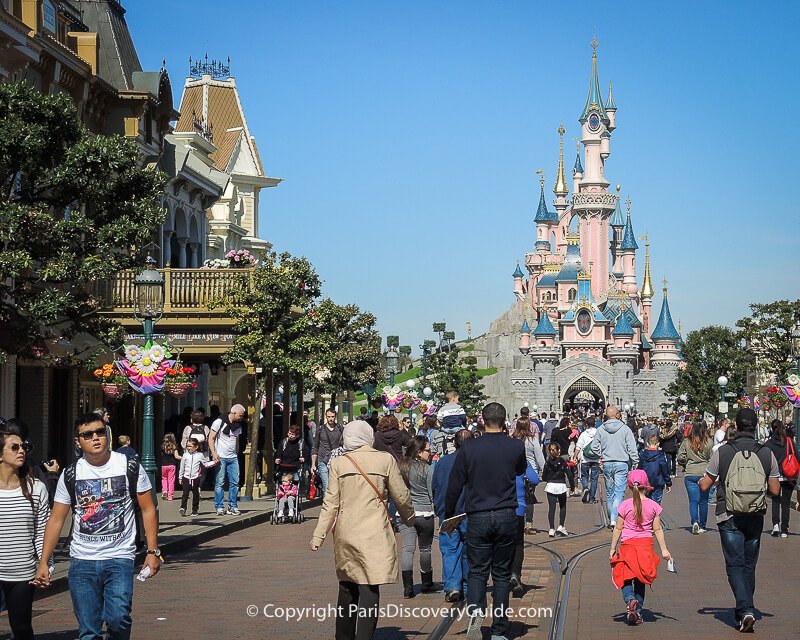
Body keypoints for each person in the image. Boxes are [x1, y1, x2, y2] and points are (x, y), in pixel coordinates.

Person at [34, 413, 161, 639]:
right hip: (82, 561)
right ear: (78, 441)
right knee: (88, 630)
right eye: (88, 434)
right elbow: (56, 519)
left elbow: (148, 508)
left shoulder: (128, 466)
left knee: (118, 618)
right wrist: (44, 561)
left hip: (120, 557)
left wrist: (153, 552)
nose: (96, 438)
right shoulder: (71, 474)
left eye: (100, 432)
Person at [310, 420, 414, 640]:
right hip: (375, 531)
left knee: (347, 586)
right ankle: (365, 635)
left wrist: (318, 535)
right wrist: (410, 518)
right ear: (368, 436)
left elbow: (331, 503)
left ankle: (344, 636)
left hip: (346, 532)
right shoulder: (385, 460)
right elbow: (401, 495)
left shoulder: (339, 463)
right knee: (369, 586)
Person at [445, 402, 526, 640]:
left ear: (482, 419)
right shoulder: (515, 446)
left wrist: (450, 514)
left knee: (477, 572)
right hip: (505, 514)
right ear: (505, 420)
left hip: (478, 515)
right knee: (501, 574)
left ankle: (477, 617)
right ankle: (500, 630)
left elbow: (454, 485)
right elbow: (521, 470)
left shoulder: (469, 449)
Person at [699, 408, 780, 633]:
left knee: (735, 564)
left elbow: (705, 485)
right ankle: (745, 610)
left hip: (729, 514)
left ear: (735, 426)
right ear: (755, 427)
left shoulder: (723, 452)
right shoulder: (766, 453)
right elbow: (775, 489)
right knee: (749, 566)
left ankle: (745, 610)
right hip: (755, 515)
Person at [0, 431, 51, 640]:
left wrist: (45, 563)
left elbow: (42, 530)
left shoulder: (36, 488)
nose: (21, 451)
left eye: (24, 447)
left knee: (21, 627)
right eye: (14, 447)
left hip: (22, 571)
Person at [608, 469, 671, 626]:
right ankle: (638, 612)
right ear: (646, 486)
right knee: (641, 581)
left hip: (628, 547)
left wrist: (612, 548)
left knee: (625, 578)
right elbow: (657, 529)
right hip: (645, 548)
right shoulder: (653, 506)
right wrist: (664, 549)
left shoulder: (625, 505)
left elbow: (618, 528)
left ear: (629, 487)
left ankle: (630, 600)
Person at [432, 428, 473, 603]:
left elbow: (435, 486)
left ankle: (452, 586)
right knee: (468, 551)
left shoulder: (443, 462)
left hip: (447, 514)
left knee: (450, 550)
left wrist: (439, 508)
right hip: (468, 512)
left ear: (454, 444)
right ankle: (467, 586)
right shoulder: (475, 463)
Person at [398, 435, 438, 598]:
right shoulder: (427, 469)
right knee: (425, 548)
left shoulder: (401, 467)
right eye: (428, 450)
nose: (430, 453)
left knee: (407, 549)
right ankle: (426, 582)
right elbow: (431, 492)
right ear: (419, 452)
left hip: (405, 512)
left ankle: (408, 587)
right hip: (424, 513)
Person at [591, 405, 639, 527]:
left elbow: (593, 447)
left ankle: (611, 516)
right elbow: (632, 448)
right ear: (617, 414)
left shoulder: (601, 429)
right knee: (619, 492)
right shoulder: (625, 429)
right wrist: (635, 462)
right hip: (622, 463)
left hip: (607, 463)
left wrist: (601, 455)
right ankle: (614, 517)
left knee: (610, 491)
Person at [677, 421, 714, 534]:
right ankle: (702, 525)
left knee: (693, 501)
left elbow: (680, 457)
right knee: (703, 501)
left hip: (690, 473)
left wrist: (685, 461)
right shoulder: (709, 442)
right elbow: (712, 459)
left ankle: (695, 522)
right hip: (704, 474)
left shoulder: (687, 442)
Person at [209, 404, 246, 516]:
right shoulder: (219, 422)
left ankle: (232, 506)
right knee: (220, 482)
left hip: (233, 457)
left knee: (235, 482)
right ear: (233, 413)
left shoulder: (238, 426)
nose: (241, 418)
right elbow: (211, 438)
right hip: (221, 456)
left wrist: (236, 452)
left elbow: (237, 440)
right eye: (240, 415)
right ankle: (219, 506)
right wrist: (214, 453)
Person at [511, 458, 540, 597]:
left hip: (500, 508)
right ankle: (515, 573)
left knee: (501, 544)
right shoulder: (522, 461)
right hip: (519, 508)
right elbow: (535, 480)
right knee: (518, 544)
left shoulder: (498, 458)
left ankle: (503, 576)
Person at [511, 416, 544, 534]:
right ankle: (528, 525)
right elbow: (539, 457)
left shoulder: (512, 439)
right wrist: (545, 471)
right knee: (529, 499)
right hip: (530, 472)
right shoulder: (532, 440)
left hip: (515, 472)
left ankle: (516, 520)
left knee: (517, 496)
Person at [763, 419, 796, 538]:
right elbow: (797, 456)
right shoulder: (789, 442)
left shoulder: (768, 444)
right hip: (788, 476)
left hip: (774, 476)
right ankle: (784, 530)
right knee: (786, 504)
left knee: (775, 502)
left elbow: (764, 459)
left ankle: (775, 525)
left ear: (772, 429)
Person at [311, 408, 344, 494]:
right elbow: (315, 447)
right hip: (323, 460)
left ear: (335, 417)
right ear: (326, 416)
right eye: (329, 416)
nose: (331, 419)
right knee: (327, 484)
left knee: (337, 484)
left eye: (332, 417)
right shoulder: (320, 429)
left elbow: (344, 444)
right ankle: (327, 504)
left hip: (336, 460)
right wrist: (313, 464)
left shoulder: (340, 428)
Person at [542, 443, 569, 537]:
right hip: (561, 485)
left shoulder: (547, 462)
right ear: (558, 450)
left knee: (551, 508)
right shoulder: (563, 461)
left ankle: (551, 529)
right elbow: (569, 474)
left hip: (550, 486)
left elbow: (544, 476)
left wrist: (548, 478)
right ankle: (561, 526)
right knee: (562, 506)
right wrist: (572, 486)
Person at [638, 434, 672, 504]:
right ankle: (655, 514)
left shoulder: (643, 455)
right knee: (656, 504)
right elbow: (665, 470)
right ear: (658, 444)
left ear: (647, 444)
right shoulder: (660, 455)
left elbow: (639, 469)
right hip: (658, 483)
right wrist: (668, 483)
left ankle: (647, 514)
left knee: (646, 503)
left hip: (645, 483)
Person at [178, 438, 205, 517]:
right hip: (186, 477)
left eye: (190, 446)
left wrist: (214, 462)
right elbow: (182, 467)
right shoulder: (185, 455)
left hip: (195, 477)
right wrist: (180, 477)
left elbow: (205, 464)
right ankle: (183, 508)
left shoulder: (200, 455)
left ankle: (195, 509)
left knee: (195, 494)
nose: (188, 448)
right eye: (187, 446)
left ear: (196, 447)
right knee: (185, 493)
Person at [550, 417, 577, 495]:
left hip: (559, 455)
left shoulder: (556, 432)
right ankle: (571, 489)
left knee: (561, 473)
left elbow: (552, 443)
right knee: (571, 472)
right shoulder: (569, 432)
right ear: (567, 424)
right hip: (568, 455)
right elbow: (576, 442)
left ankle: (562, 490)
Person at [575, 419, 599, 503]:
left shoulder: (584, 434)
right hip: (595, 458)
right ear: (594, 424)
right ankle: (592, 498)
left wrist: (575, 456)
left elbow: (578, 446)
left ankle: (585, 487)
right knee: (594, 479)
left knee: (584, 476)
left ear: (587, 425)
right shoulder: (599, 433)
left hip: (585, 458)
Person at [159, 433, 180, 501]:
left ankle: (164, 490)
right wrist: (184, 457)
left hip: (164, 465)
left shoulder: (162, 446)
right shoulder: (174, 447)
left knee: (164, 478)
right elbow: (177, 456)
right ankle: (170, 496)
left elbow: (161, 455)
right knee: (171, 480)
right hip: (172, 465)